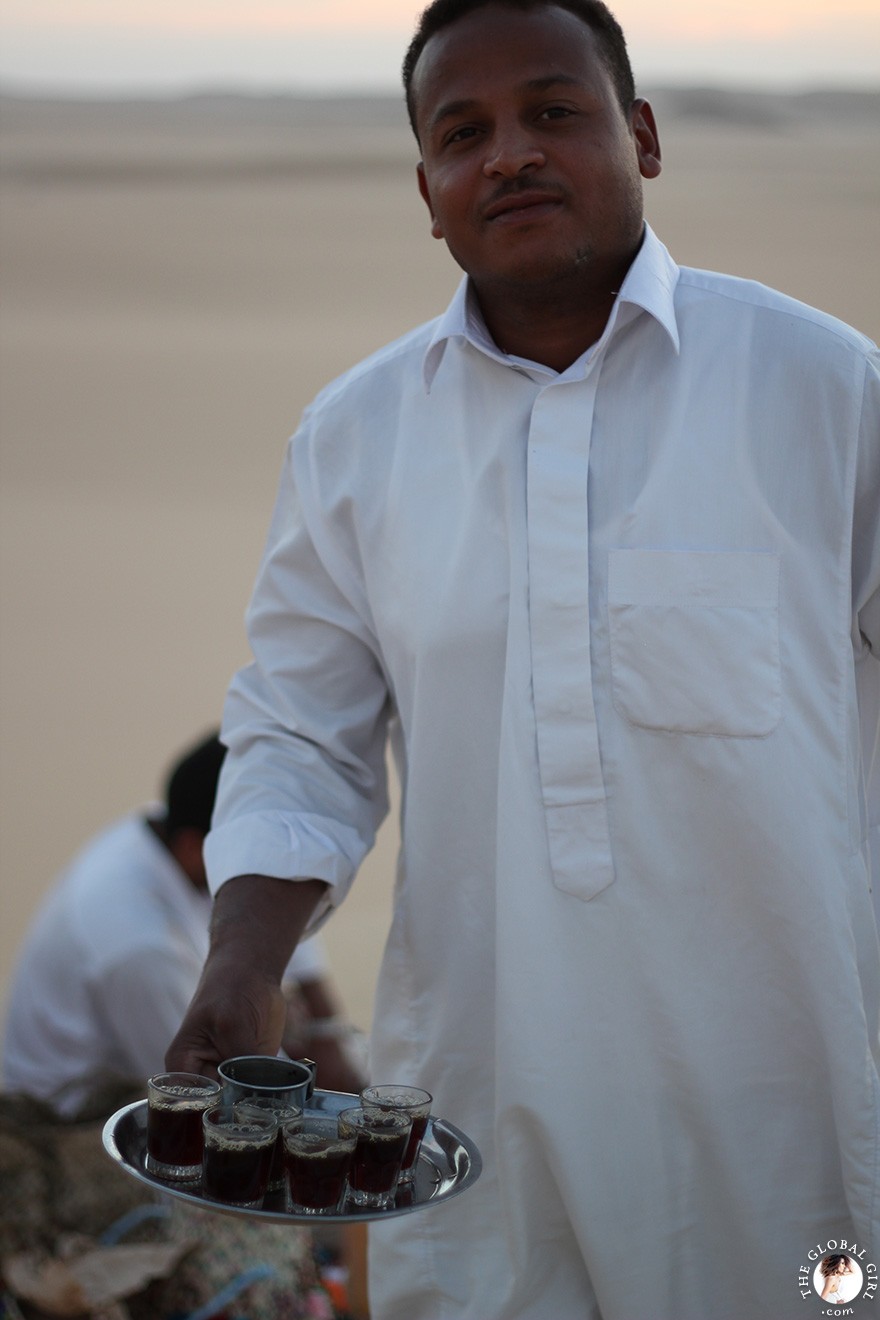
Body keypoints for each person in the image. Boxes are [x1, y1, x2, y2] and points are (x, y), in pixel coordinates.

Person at [167, 2, 880, 1317]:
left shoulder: (825, 392)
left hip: (788, 1109)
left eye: (555, 112)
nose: (509, 156)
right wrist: (240, 964)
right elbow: (298, 730)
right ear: (427, 195)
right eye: (464, 133)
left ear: (643, 137)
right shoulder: (356, 441)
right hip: (478, 1109)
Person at [2, 731, 366, 1118]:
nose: (268, 875)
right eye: (256, 860)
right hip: (67, 1119)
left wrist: (325, 1025)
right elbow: (224, 1090)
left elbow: (276, 891)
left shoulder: (182, 827)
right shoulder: (139, 948)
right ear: (194, 847)